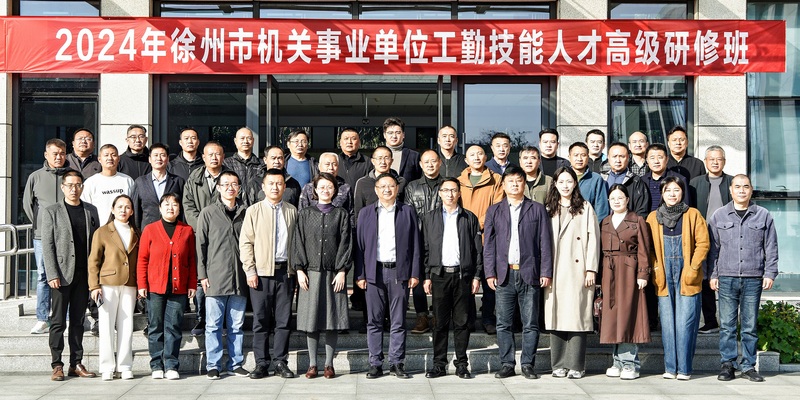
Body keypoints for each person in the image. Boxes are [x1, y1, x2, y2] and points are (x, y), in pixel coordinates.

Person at [484, 167, 553, 380]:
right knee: (503, 323)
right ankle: (507, 363)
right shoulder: (494, 210)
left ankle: (528, 364)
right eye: (510, 181)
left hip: (530, 273)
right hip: (504, 274)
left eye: (518, 180)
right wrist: (489, 272)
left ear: (524, 184)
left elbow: (545, 242)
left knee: (530, 323)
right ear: (503, 185)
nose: (515, 184)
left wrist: (545, 271)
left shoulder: (537, 209)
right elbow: (489, 245)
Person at [709, 174, 778, 383]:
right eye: (737, 186)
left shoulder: (763, 215)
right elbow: (713, 249)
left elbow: (771, 246)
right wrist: (713, 274)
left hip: (753, 277)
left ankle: (748, 366)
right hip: (727, 277)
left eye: (745, 187)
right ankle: (728, 365)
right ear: (730, 190)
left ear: (751, 189)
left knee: (749, 326)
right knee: (727, 326)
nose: (741, 190)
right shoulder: (719, 215)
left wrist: (770, 272)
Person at [355, 173, 421, 379]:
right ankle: (375, 363)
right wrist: (360, 274)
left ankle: (397, 362)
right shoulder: (366, 213)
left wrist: (414, 272)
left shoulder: (407, 211)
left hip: (399, 272)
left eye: (391, 186)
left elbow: (416, 244)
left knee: (398, 320)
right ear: (376, 190)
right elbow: (359, 247)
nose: (387, 190)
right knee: (374, 320)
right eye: (382, 186)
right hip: (373, 272)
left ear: (397, 189)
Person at [646, 177, 709, 380]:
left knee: (685, 323)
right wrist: (656, 268)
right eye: (668, 190)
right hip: (664, 275)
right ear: (662, 193)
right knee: (667, 324)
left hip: (687, 274)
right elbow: (649, 248)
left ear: (682, 192)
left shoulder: (693, 214)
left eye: (676, 190)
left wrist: (692, 268)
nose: (672, 194)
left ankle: (684, 369)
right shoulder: (653, 217)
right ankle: (670, 368)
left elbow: (703, 243)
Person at [421, 178, 483, 379]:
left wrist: (477, 275)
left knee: (462, 322)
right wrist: (426, 276)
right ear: (440, 193)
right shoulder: (429, 218)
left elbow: (477, 250)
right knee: (439, 323)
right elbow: (424, 249)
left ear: (459, 193)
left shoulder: (469, 218)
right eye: (446, 190)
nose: (449, 194)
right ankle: (439, 364)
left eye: (453, 190)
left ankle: (462, 364)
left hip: (462, 275)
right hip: (439, 276)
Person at [292, 172, 352, 379]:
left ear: (335, 190)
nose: (325, 190)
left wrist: (342, 270)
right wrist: (299, 270)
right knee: (312, 319)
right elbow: (298, 241)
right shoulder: (305, 214)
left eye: (329, 187)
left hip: (334, 274)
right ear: (315, 190)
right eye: (322, 187)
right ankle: (312, 364)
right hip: (310, 274)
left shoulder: (341, 214)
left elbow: (346, 243)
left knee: (332, 319)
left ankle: (328, 364)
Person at [41, 170, 100, 381]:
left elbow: (96, 242)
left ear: (82, 187)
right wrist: (52, 273)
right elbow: (47, 245)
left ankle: (76, 363)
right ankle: (57, 364)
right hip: (61, 275)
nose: (74, 189)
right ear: (63, 187)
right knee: (58, 321)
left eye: (78, 185)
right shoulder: (52, 211)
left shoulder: (91, 210)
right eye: (70, 185)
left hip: (84, 275)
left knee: (78, 321)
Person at [240, 169, 298, 380]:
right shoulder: (253, 211)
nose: (275, 187)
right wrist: (250, 270)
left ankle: (280, 362)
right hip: (261, 274)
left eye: (279, 183)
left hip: (285, 273)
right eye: (271, 183)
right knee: (261, 320)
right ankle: (261, 363)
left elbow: (297, 242)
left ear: (284, 187)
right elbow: (246, 243)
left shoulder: (292, 210)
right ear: (263, 187)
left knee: (283, 321)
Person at [544, 167, 600, 380]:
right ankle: (558, 364)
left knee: (577, 317)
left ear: (575, 183)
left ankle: (576, 365)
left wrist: (591, 268)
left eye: (569, 181)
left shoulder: (585, 207)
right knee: (556, 316)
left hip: (578, 269)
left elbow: (593, 239)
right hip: (554, 270)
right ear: (555, 184)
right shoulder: (549, 207)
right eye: (561, 181)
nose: (565, 185)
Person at [137, 192, 197, 380]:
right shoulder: (150, 229)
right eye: (167, 204)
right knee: (155, 326)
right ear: (160, 208)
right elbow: (142, 259)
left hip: (179, 287)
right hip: (155, 287)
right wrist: (142, 283)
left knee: (174, 326)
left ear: (179, 209)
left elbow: (192, 259)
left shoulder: (186, 230)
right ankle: (156, 365)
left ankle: (171, 365)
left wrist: (192, 284)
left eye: (174, 204)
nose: (171, 208)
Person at [196, 171, 250, 380]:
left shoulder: (246, 212)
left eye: (234, 184)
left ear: (239, 188)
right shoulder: (208, 213)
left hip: (239, 277)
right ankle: (213, 365)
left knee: (236, 326)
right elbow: (201, 246)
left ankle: (235, 364)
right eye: (225, 184)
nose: (230, 188)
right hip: (215, 277)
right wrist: (202, 275)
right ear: (218, 187)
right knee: (213, 325)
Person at [599, 184, 652, 380]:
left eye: (620, 198)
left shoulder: (637, 220)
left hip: (629, 271)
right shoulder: (605, 222)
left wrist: (643, 274)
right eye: (613, 198)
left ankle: (630, 363)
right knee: (612, 317)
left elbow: (644, 250)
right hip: (609, 272)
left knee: (628, 316)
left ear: (627, 200)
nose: (617, 201)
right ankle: (617, 362)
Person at [88, 195, 139, 381]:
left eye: (127, 207)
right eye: (120, 206)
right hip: (107, 284)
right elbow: (93, 261)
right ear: (112, 209)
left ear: (132, 211)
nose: (123, 210)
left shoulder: (137, 232)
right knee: (106, 325)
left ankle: (125, 366)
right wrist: (94, 286)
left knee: (127, 325)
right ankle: (107, 367)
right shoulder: (102, 232)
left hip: (130, 283)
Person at [457, 145, 505, 334]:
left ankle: (488, 318)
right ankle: (468, 319)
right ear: (466, 160)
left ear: (486, 157)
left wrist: (477, 224)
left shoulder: (496, 179)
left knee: (489, 281)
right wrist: (466, 227)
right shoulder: (459, 181)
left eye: (480, 154)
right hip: (464, 237)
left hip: (488, 237)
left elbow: (498, 207)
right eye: (472, 154)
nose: (476, 157)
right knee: (466, 280)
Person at [23, 138, 69, 334]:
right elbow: (28, 204)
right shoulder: (36, 177)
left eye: (62, 153)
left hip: (67, 235)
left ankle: (67, 317)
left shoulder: (71, 176)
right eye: (55, 153)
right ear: (46, 155)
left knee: (67, 275)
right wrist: (42, 225)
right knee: (43, 275)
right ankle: (42, 318)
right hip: (42, 235)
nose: (58, 157)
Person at [689, 145, 733, 335]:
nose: (715, 162)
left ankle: (729, 322)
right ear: (705, 162)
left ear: (724, 161)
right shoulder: (695, 183)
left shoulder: (732, 182)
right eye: (711, 159)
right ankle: (710, 321)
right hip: (703, 238)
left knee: (727, 279)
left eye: (719, 159)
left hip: (729, 239)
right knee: (706, 278)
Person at [403, 149, 444, 334]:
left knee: (439, 277)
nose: (430, 165)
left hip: (442, 238)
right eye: (426, 162)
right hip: (418, 238)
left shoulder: (447, 184)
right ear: (420, 164)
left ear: (440, 163)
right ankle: (422, 316)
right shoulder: (412, 187)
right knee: (418, 277)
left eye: (433, 161)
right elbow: (409, 214)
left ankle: (438, 315)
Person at [131, 143, 185, 230]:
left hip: (172, 229)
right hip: (148, 230)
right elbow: (136, 210)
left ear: (167, 159)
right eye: (155, 155)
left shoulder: (178, 181)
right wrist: (137, 231)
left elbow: (182, 209)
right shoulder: (140, 182)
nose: (159, 158)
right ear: (149, 159)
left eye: (162, 155)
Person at [353, 146, 408, 223]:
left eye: (386, 158)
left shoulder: (400, 182)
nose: (383, 162)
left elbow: (405, 208)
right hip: (370, 225)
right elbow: (358, 211)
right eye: (379, 158)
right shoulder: (362, 183)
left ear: (391, 161)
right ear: (372, 161)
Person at [81, 144, 135, 220]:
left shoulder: (127, 180)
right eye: (106, 155)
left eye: (113, 155)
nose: (110, 158)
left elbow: (133, 205)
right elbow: (85, 209)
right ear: (99, 159)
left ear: (118, 158)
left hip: (123, 225)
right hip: (99, 226)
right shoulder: (91, 182)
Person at [601, 142, 651, 218]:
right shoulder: (601, 179)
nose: (618, 160)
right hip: (604, 223)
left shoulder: (635, 181)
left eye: (622, 156)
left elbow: (642, 210)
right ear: (608, 157)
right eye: (614, 156)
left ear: (628, 158)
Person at [569, 142, 610, 221]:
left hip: (588, 223)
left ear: (588, 157)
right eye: (576, 155)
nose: (579, 159)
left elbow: (601, 208)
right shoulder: (562, 177)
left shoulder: (596, 179)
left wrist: (597, 226)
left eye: (583, 155)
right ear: (569, 157)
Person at [223, 127, 265, 191]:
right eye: (242, 138)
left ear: (253, 141)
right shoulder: (226, 163)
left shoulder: (262, 164)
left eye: (249, 138)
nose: (245, 141)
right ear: (235, 141)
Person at [383, 117, 421, 183]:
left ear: (403, 135)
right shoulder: (377, 155)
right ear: (384, 135)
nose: (394, 136)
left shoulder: (414, 156)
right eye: (390, 133)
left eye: (398, 132)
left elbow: (418, 179)